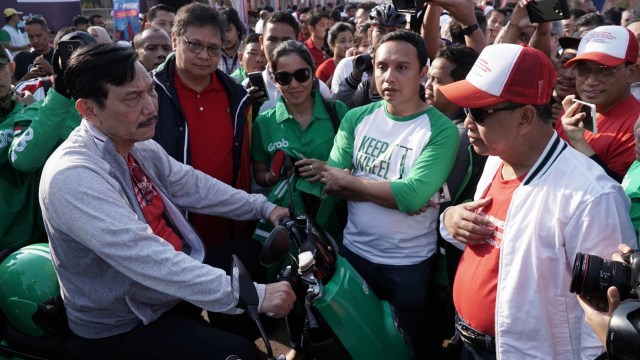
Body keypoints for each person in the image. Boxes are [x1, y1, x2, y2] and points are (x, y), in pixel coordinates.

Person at [39, 43, 296, 360]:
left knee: (251, 253)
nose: (150, 107)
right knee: (239, 354)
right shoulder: (73, 176)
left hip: (162, 291)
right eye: (132, 98)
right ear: (88, 110)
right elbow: (145, 257)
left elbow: (191, 184)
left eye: (150, 91)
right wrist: (251, 295)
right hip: (124, 325)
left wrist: (263, 207)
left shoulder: (134, 143)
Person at [438, 42, 636, 359]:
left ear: (526, 118)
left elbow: (601, 322)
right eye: (465, 111)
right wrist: (450, 221)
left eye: (478, 112)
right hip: (469, 342)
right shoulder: (496, 158)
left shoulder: (591, 198)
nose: (467, 123)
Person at [321, 30, 459, 357]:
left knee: (401, 348)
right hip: (353, 256)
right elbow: (331, 180)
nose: (389, 77)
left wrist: (355, 182)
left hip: (408, 266)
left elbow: (410, 196)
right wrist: (397, 193)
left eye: (402, 67)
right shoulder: (356, 118)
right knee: (353, 344)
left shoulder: (440, 130)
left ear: (423, 73)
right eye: (381, 67)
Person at [152, 3, 254, 246]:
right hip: (168, 234)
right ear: (175, 40)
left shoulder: (238, 97)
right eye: (195, 45)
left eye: (213, 48)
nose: (204, 55)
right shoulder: (149, 93)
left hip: (226, 230)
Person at [252, 40, 348, 239]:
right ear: (273, 79)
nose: (294, 84)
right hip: (286, 226)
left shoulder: (338, 112)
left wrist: (327, 169)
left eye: (301, 75)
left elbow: (358, 167)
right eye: (284, 77)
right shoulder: (263, 123)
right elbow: (259, 174)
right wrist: (275, 175)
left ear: (313, 74)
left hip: (333, 222)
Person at [556, 25, 640, 182]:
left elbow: (618, 196)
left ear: (631, 72)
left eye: (604, 70)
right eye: (583, 70)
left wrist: (579, 142)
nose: (590, 80)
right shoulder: (573, 108)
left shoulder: (636, 127)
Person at [252, 11, 331, 114]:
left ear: (297, 42)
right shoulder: (249, 88)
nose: (279, 46)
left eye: (286, 40)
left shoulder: (319, 89)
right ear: (261, 42)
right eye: (272, 40)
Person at [331, 4, 406, 108]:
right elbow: (336, 108)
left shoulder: (410, 66)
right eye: (380, 30)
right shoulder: (349, 64)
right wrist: (354, 78)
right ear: (370, 33)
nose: (386, 37)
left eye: (393, 31)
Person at [13, 15, 53, 82]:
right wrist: (27, 77)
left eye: (39, 35)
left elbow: (71, 85)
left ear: (48, 34)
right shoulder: (21, 58)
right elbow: (11, 88)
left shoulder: (59, 56)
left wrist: (51, 70)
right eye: (31, 37)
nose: (35, 40)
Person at [218, 7, 244, 75]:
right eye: (220, 31)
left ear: (238, 30)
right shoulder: (213, 56)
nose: (224, 36)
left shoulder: (248, 53)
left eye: (228, 30)